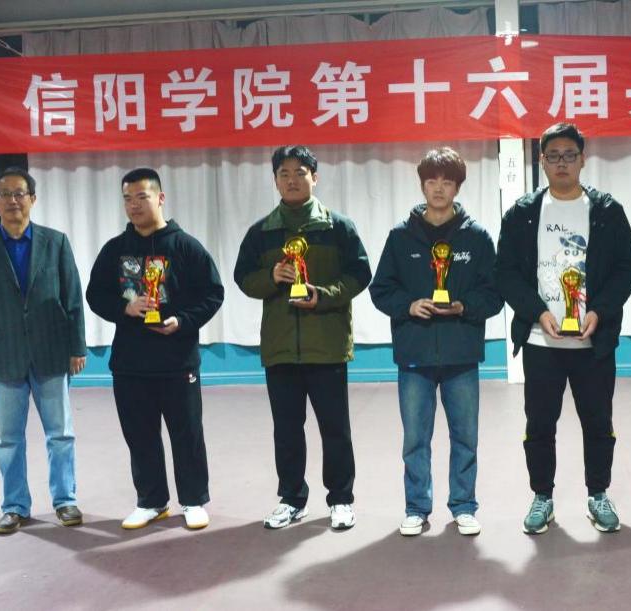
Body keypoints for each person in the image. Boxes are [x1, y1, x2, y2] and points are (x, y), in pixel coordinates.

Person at [495, 123, 631, 534]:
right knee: (540, 424)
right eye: (553, 156)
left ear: (583, 159)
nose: (562, 163)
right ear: (541, 161)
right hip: (541, 341)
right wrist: (537, 312)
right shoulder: (523, 212)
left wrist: (600, 311)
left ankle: (598, 494)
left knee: (598, 423)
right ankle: (542, 497)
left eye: (569, 155)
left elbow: (627, 268)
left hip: (594, 342)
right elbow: (505, 272)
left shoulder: (607, 211)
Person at [234, 145, 371, 531]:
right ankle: (291, 499)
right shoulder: (261, 232)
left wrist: (322, 296)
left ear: (315, 177)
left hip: (326, 346)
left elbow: (360, 274)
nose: (292, 180)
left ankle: (341, 499)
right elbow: (243, 277)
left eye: (300, 173)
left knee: (335, 429)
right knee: (287, 430)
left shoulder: (338, 227)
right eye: (284, 173)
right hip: (280, 349)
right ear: (275, 180)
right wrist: (271, 278)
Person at [370, 147, 503, 536]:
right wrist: (409, 306)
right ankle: (416, 507)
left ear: (457, 187)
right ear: (422, 185)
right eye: (432, 181)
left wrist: (464, 306)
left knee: (465, 437)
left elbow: (495, 293)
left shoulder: (477, 238)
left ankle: (464, 505)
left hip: (462, 354)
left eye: (447, 181)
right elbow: (381, 289)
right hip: (415, 353)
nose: (439, 188)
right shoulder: (400, 237)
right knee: (415, 439)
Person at [86, 168, 224, 531]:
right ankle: (151, 501)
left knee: (187, 434)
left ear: (160, 198)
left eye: (141, 197)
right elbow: (95, 295)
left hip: (178, 361)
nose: (134, 205)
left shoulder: (186, 247)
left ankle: (193, 500)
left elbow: (213, 294)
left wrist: (183, 320)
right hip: (130, 363)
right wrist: (125, 308)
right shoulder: (115, 249)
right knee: (140, 436)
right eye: (127, 199)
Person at [0, 167, 86, 535]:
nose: (13, 200)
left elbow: (72, 298)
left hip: (51, 353)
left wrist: (76, 346)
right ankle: (15, 506)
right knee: (8, 440)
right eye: (5, 194)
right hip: (3, 357)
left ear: (33, 198)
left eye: (20, 193)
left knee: (60, 434)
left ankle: (65, 500)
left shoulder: (55, 242)